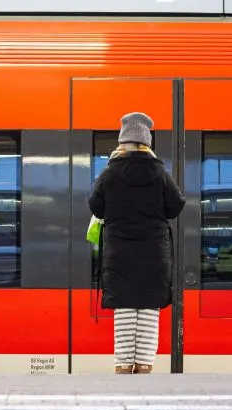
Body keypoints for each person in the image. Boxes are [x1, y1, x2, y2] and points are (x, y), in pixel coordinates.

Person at [88, 112, 184, 374]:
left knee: (125, 311)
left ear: (122, 142)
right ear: (147, 142)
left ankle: (122, 366)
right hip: (154, 253)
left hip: (120, 252)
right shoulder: (159, 172)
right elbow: (176, 206)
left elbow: (96, 206)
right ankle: (143, 368)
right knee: (148, 311)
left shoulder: (110, 173)